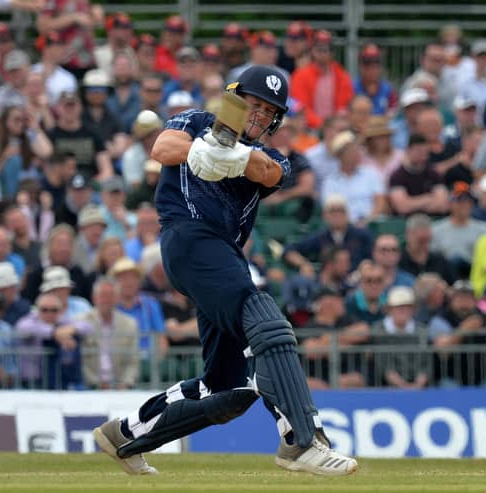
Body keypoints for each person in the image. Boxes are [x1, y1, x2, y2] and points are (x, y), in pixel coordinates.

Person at [93, 65, 357, 476]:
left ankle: (125, 435)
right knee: (267, 320)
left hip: (223, 256)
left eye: (269, 111)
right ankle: (303, 441)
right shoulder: (195, 119)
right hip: (188, 240)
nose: (258, 115)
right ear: (233, 100)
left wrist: (232, 157)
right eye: (252, 104)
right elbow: (163, 148)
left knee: (227, 388)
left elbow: (267, 173)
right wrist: (200, 150)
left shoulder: (272, 156)